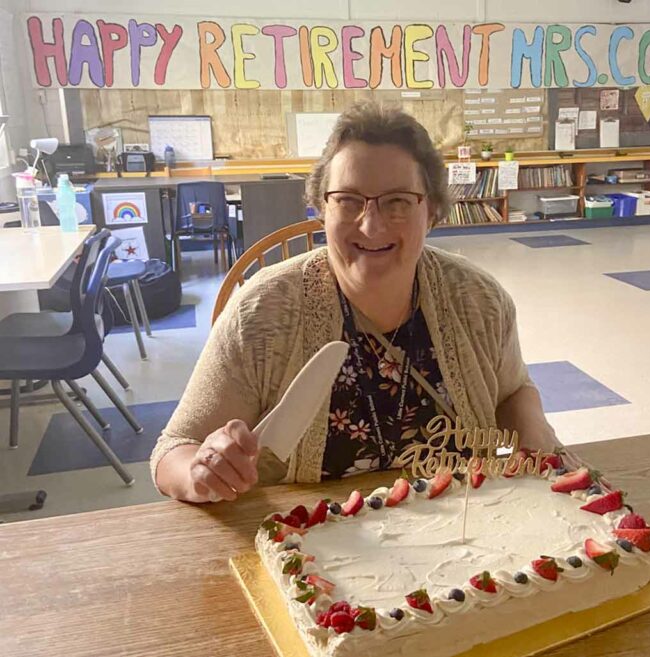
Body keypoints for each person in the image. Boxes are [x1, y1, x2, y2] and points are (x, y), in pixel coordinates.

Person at [152, 102, 561, 504]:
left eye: (398, 201)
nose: (371, 224)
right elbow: (175, 448)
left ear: (432, 210)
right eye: (348, 200)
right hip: (311, 549)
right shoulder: (262, 314)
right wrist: (199, 473)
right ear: (320, 208)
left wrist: (534, 430)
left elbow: (512, 391)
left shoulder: (479, 301)